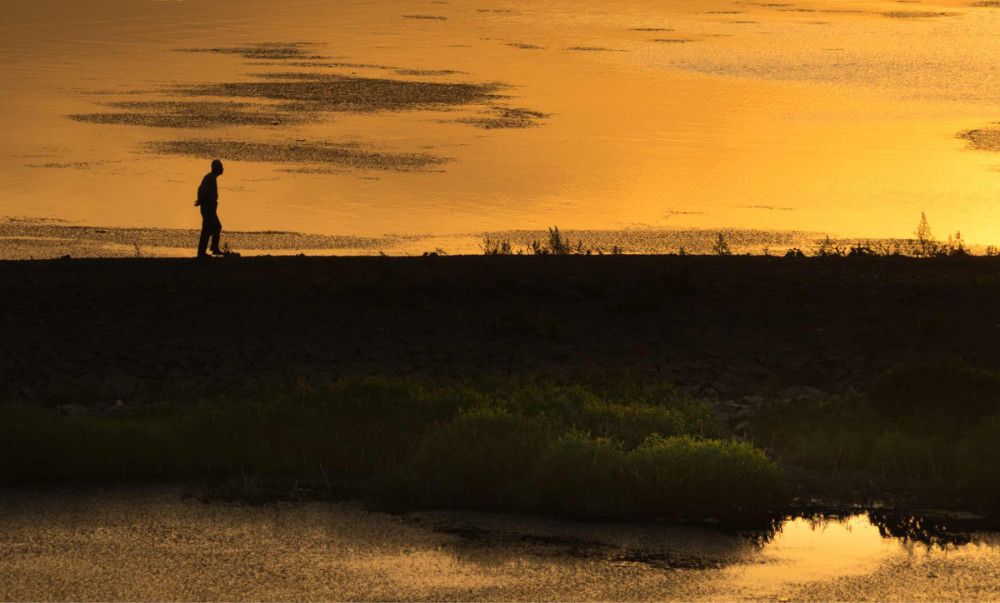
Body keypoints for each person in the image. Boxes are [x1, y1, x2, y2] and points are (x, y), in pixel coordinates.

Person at [195, 159, 225, 257]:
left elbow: (200, 189)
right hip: (208, 208)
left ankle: (207, 251)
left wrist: (200, 200)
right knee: (213, 228)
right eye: (221, 167)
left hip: (210, 208)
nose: (222, 169)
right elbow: (201, 190)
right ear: (216, 168)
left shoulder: (211, 178)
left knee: (209, 229)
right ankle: (209, 250)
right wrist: (201, 200)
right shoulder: (210, 178)